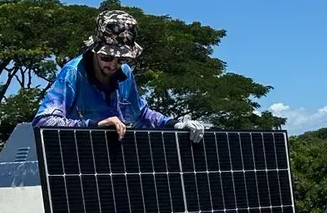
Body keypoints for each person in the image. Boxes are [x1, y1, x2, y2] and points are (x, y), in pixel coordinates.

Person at [34, 9, 203, 140]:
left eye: (122, 59)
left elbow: (141, 115)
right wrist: (94, 125)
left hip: (114, 160)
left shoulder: (125, 74)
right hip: (77, 160)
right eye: (107, 57)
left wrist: (175, 125)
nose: (114, 65)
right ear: (95, 50)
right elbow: (43, 122)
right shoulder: (73, 73)